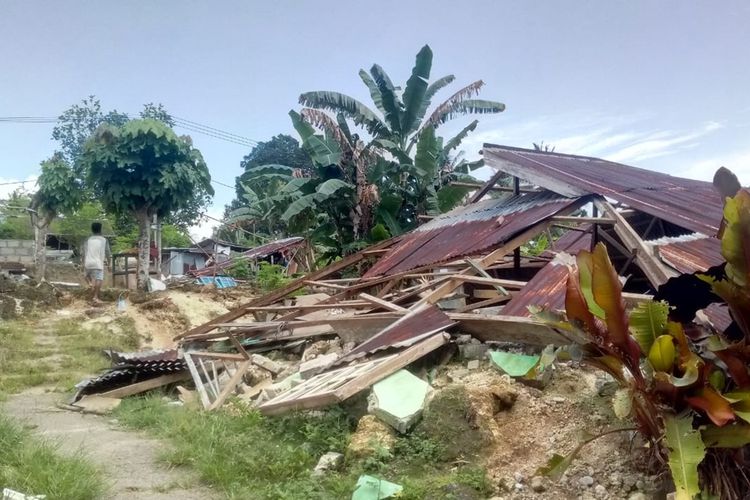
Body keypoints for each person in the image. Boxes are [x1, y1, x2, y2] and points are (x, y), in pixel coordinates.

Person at [83, 222, 110, 304]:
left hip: (88, 262)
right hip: (98, 263)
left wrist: (83, 263)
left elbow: (84, 252)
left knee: (87, 276)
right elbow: (108, 253)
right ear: (100, 229)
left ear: (92, 230)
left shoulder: (88, 240)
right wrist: (110, 263)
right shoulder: (104, 240)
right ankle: (95, 297)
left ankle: (90, 284)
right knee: (99, 279)